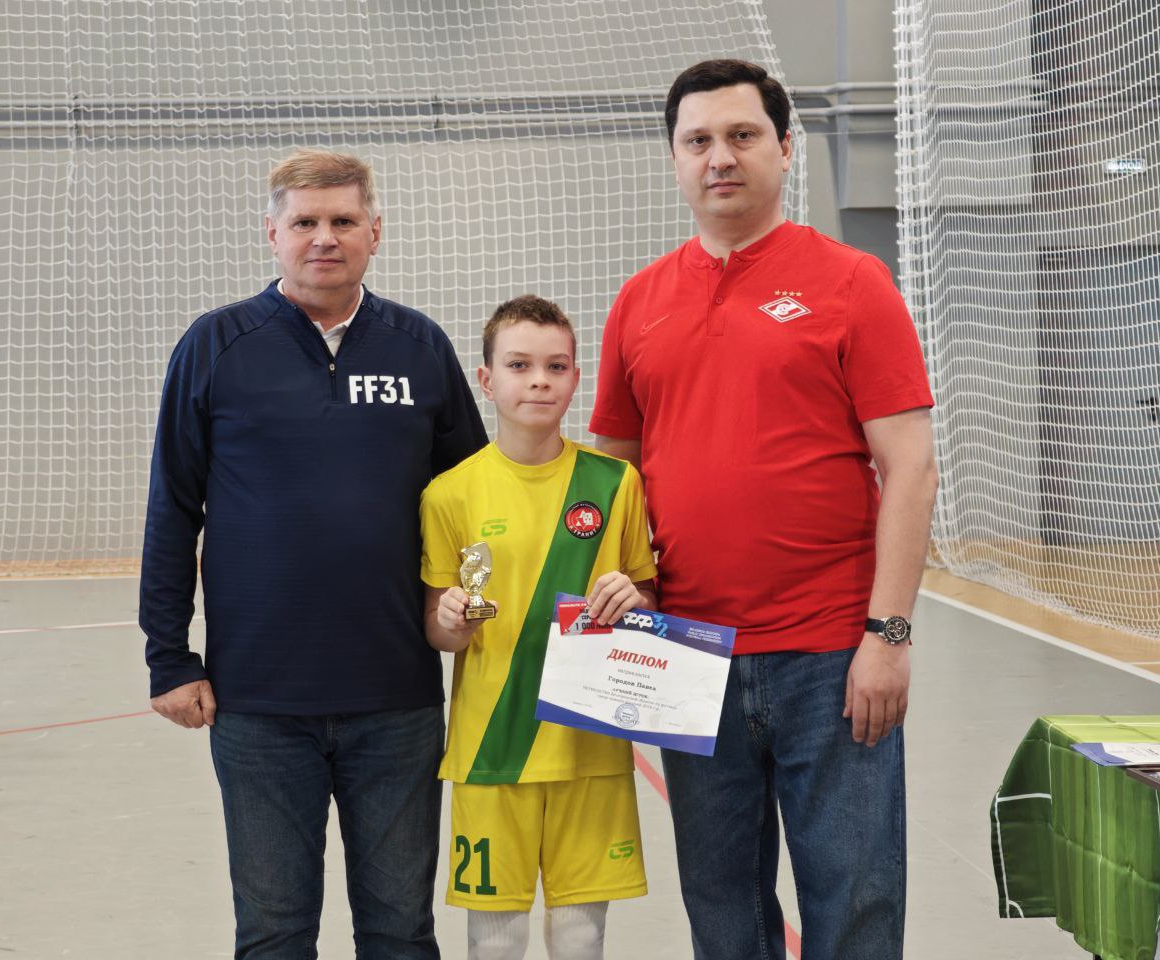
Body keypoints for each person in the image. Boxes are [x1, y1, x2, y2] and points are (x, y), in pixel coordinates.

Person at [590, 60, 938, 959]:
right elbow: (611, 477)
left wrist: (888, 636)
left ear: (785, 149)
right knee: (723, 915)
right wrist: (622, 593)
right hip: (687, 651)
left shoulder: (853, 281)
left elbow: (910, 466)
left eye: (742, 136)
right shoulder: (638, 302)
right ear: (674, 158)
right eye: (698, 140)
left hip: (830, 653)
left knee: (854, 905)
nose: (720, 157)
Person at [140, 148, 487, 960]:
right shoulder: (216, 344)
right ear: (273, 233)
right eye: (305, 222)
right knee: (274, 932)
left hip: (396, 700)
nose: (324, 237)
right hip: (259, 702)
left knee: (401, 931)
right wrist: (168, 657)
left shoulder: (419, 346)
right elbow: (173, 508)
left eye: (342, 220)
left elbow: (477, 504)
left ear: (375, 231)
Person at [419, 296, 657, 960]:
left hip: (590, 743)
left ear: (576, 378)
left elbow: (646, 600)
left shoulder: (616, 482)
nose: (539, 381)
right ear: (486, 379)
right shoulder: (449, 493)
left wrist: (633, 599)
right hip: (491, 746)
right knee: (495, 939)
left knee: (580, 936)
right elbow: (439, 629)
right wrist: (449, 621)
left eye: (556, 366)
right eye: (519, 365)